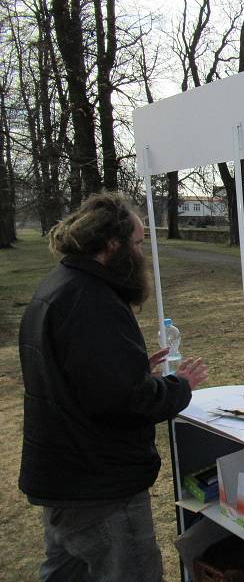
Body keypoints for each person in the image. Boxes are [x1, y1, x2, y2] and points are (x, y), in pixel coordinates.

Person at [18, 193, 208, 581]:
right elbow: (126, 401)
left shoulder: (58, 286)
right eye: (138, 243)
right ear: (113, 246)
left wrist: (133, 366)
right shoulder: (92, 302)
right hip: (100, 490)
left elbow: (76, 378)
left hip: (64, 480)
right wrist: (178, 386)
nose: (143, 253)